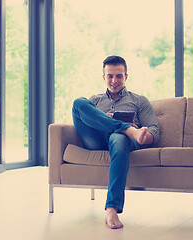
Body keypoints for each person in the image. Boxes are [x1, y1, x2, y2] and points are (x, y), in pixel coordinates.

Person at [72, 56, 160, 229]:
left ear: (126, 76)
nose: (114, 80)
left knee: (118, 137)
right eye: (110, 76)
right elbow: (83, 115)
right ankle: (125, 128)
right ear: (103, 77)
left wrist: (142, 136)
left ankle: (112, 208)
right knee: (78, 103)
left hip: (122, 143)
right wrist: (111, 122)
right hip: (97, 140)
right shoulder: (95, 101)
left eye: (119, 76)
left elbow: (154, 130)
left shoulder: (139, 100)